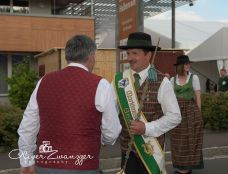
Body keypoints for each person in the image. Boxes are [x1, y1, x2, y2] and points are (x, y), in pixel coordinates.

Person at [17, 35, 121, 174]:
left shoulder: (44, 81)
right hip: (83, 165)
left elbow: (27, 126)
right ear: (91, 56)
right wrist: (100, 139)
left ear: (68, 56)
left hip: (45, 165)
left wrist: (26, 161)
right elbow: (112, 132)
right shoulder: (100, 84)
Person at [114, 32, 181, 174]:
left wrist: (147, 128)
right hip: (127, 152)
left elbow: (175, 116)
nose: (130, 58)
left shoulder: (161, 81)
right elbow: (110, 111)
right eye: (128, 53)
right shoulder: (119, 80)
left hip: (151, 153)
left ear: (148, 55)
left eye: (135, 53)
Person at [170, 55, 204, 174]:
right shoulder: (173, 80)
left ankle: (187, 168)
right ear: (180, 66)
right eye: (186, 64)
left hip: (191, 111)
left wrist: (199, 114)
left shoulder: (194, 78)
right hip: (177, 112)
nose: (188, 65)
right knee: (178, 140)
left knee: (190, 139)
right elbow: (171, 98)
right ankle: (181, 167)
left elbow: (198, 96)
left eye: (188, 64)